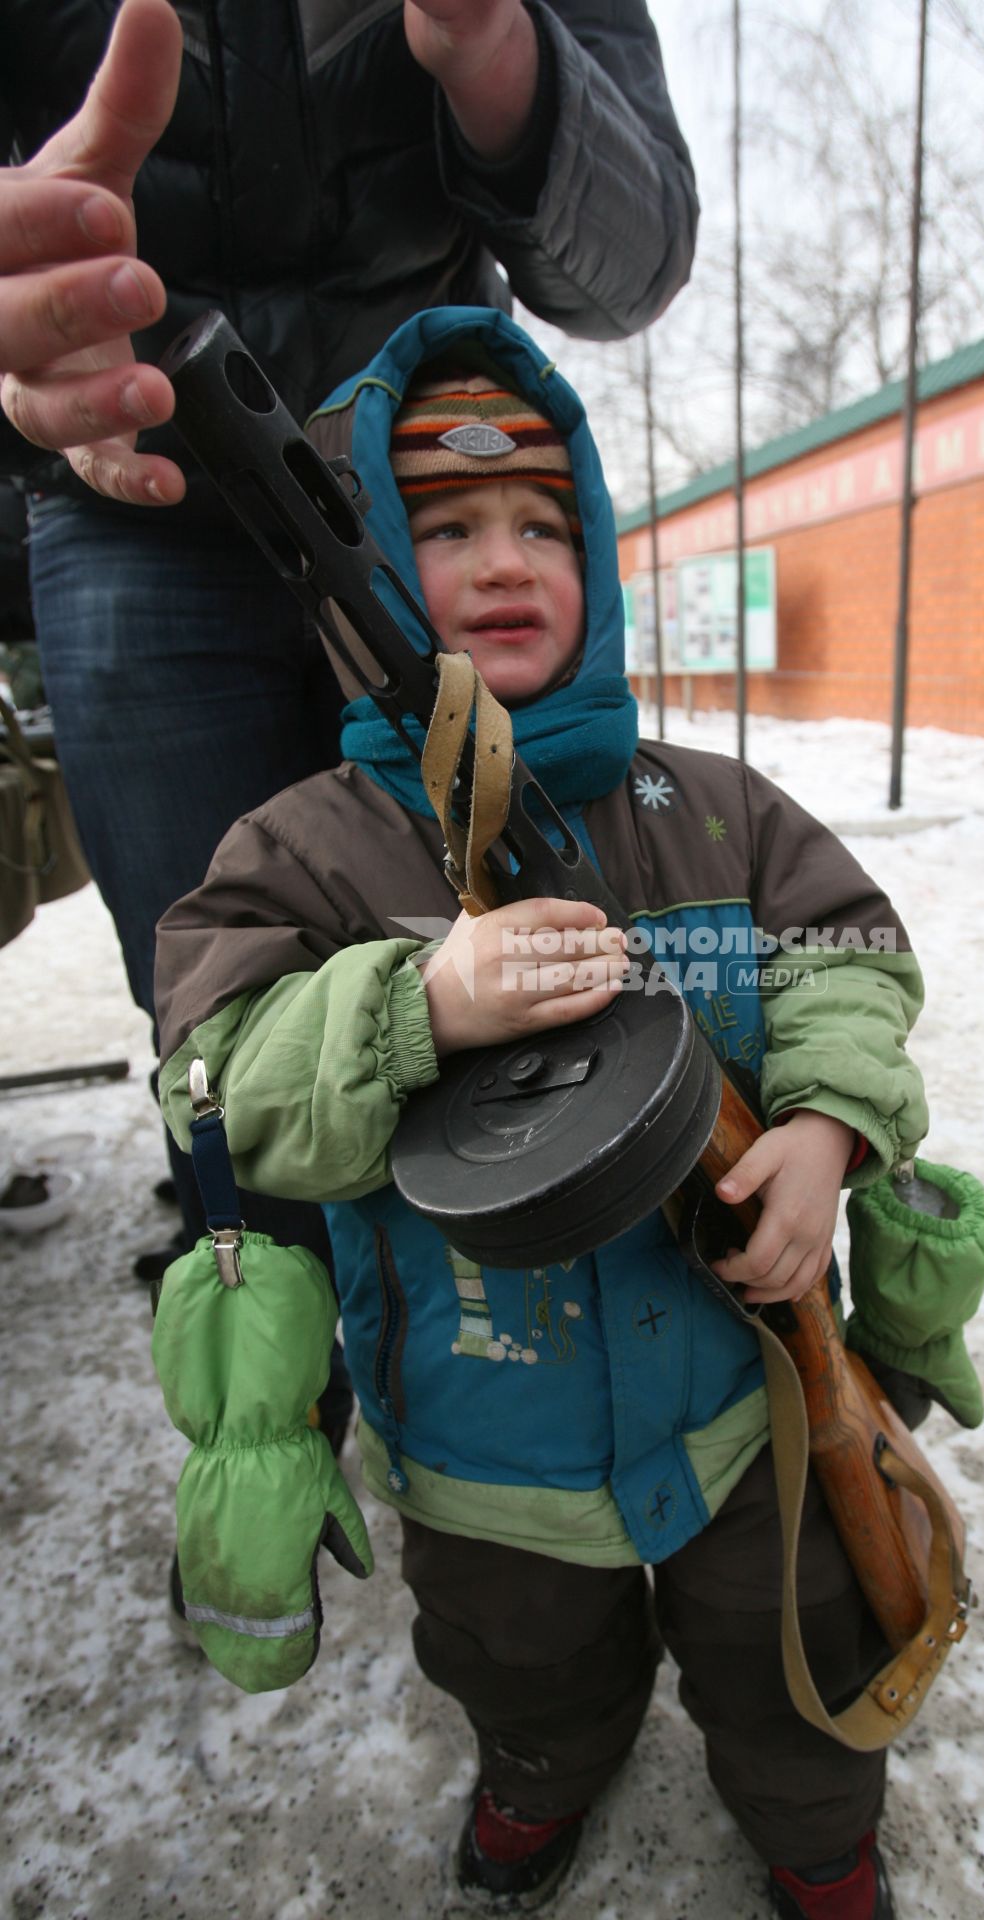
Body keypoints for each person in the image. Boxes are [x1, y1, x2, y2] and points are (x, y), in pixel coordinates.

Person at [153, 303, 934, 1919]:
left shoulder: (708, 805)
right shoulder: (305, 852)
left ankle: (813, 1828)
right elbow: (220, 1079)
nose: (503, 563)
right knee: (522, 1666)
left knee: (795, 1648)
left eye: (541, 525)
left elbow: (852, 956)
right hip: (477, 1436)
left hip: (750, 1407)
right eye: (444, 530)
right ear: (366, 562)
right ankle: (538, 1783)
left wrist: (827, 1130)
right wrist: (414, 1003)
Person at [0, 0, 698, 1270]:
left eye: (550, 534)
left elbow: (636, 260)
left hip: (413, 511)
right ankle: (269, 1356)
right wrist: (26, 288)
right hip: (125, 501)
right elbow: (216, 1026)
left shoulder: (696, 803)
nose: (530, 565)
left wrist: (498, 54)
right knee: (211, 1000)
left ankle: (464, 1362)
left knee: (492, 933)